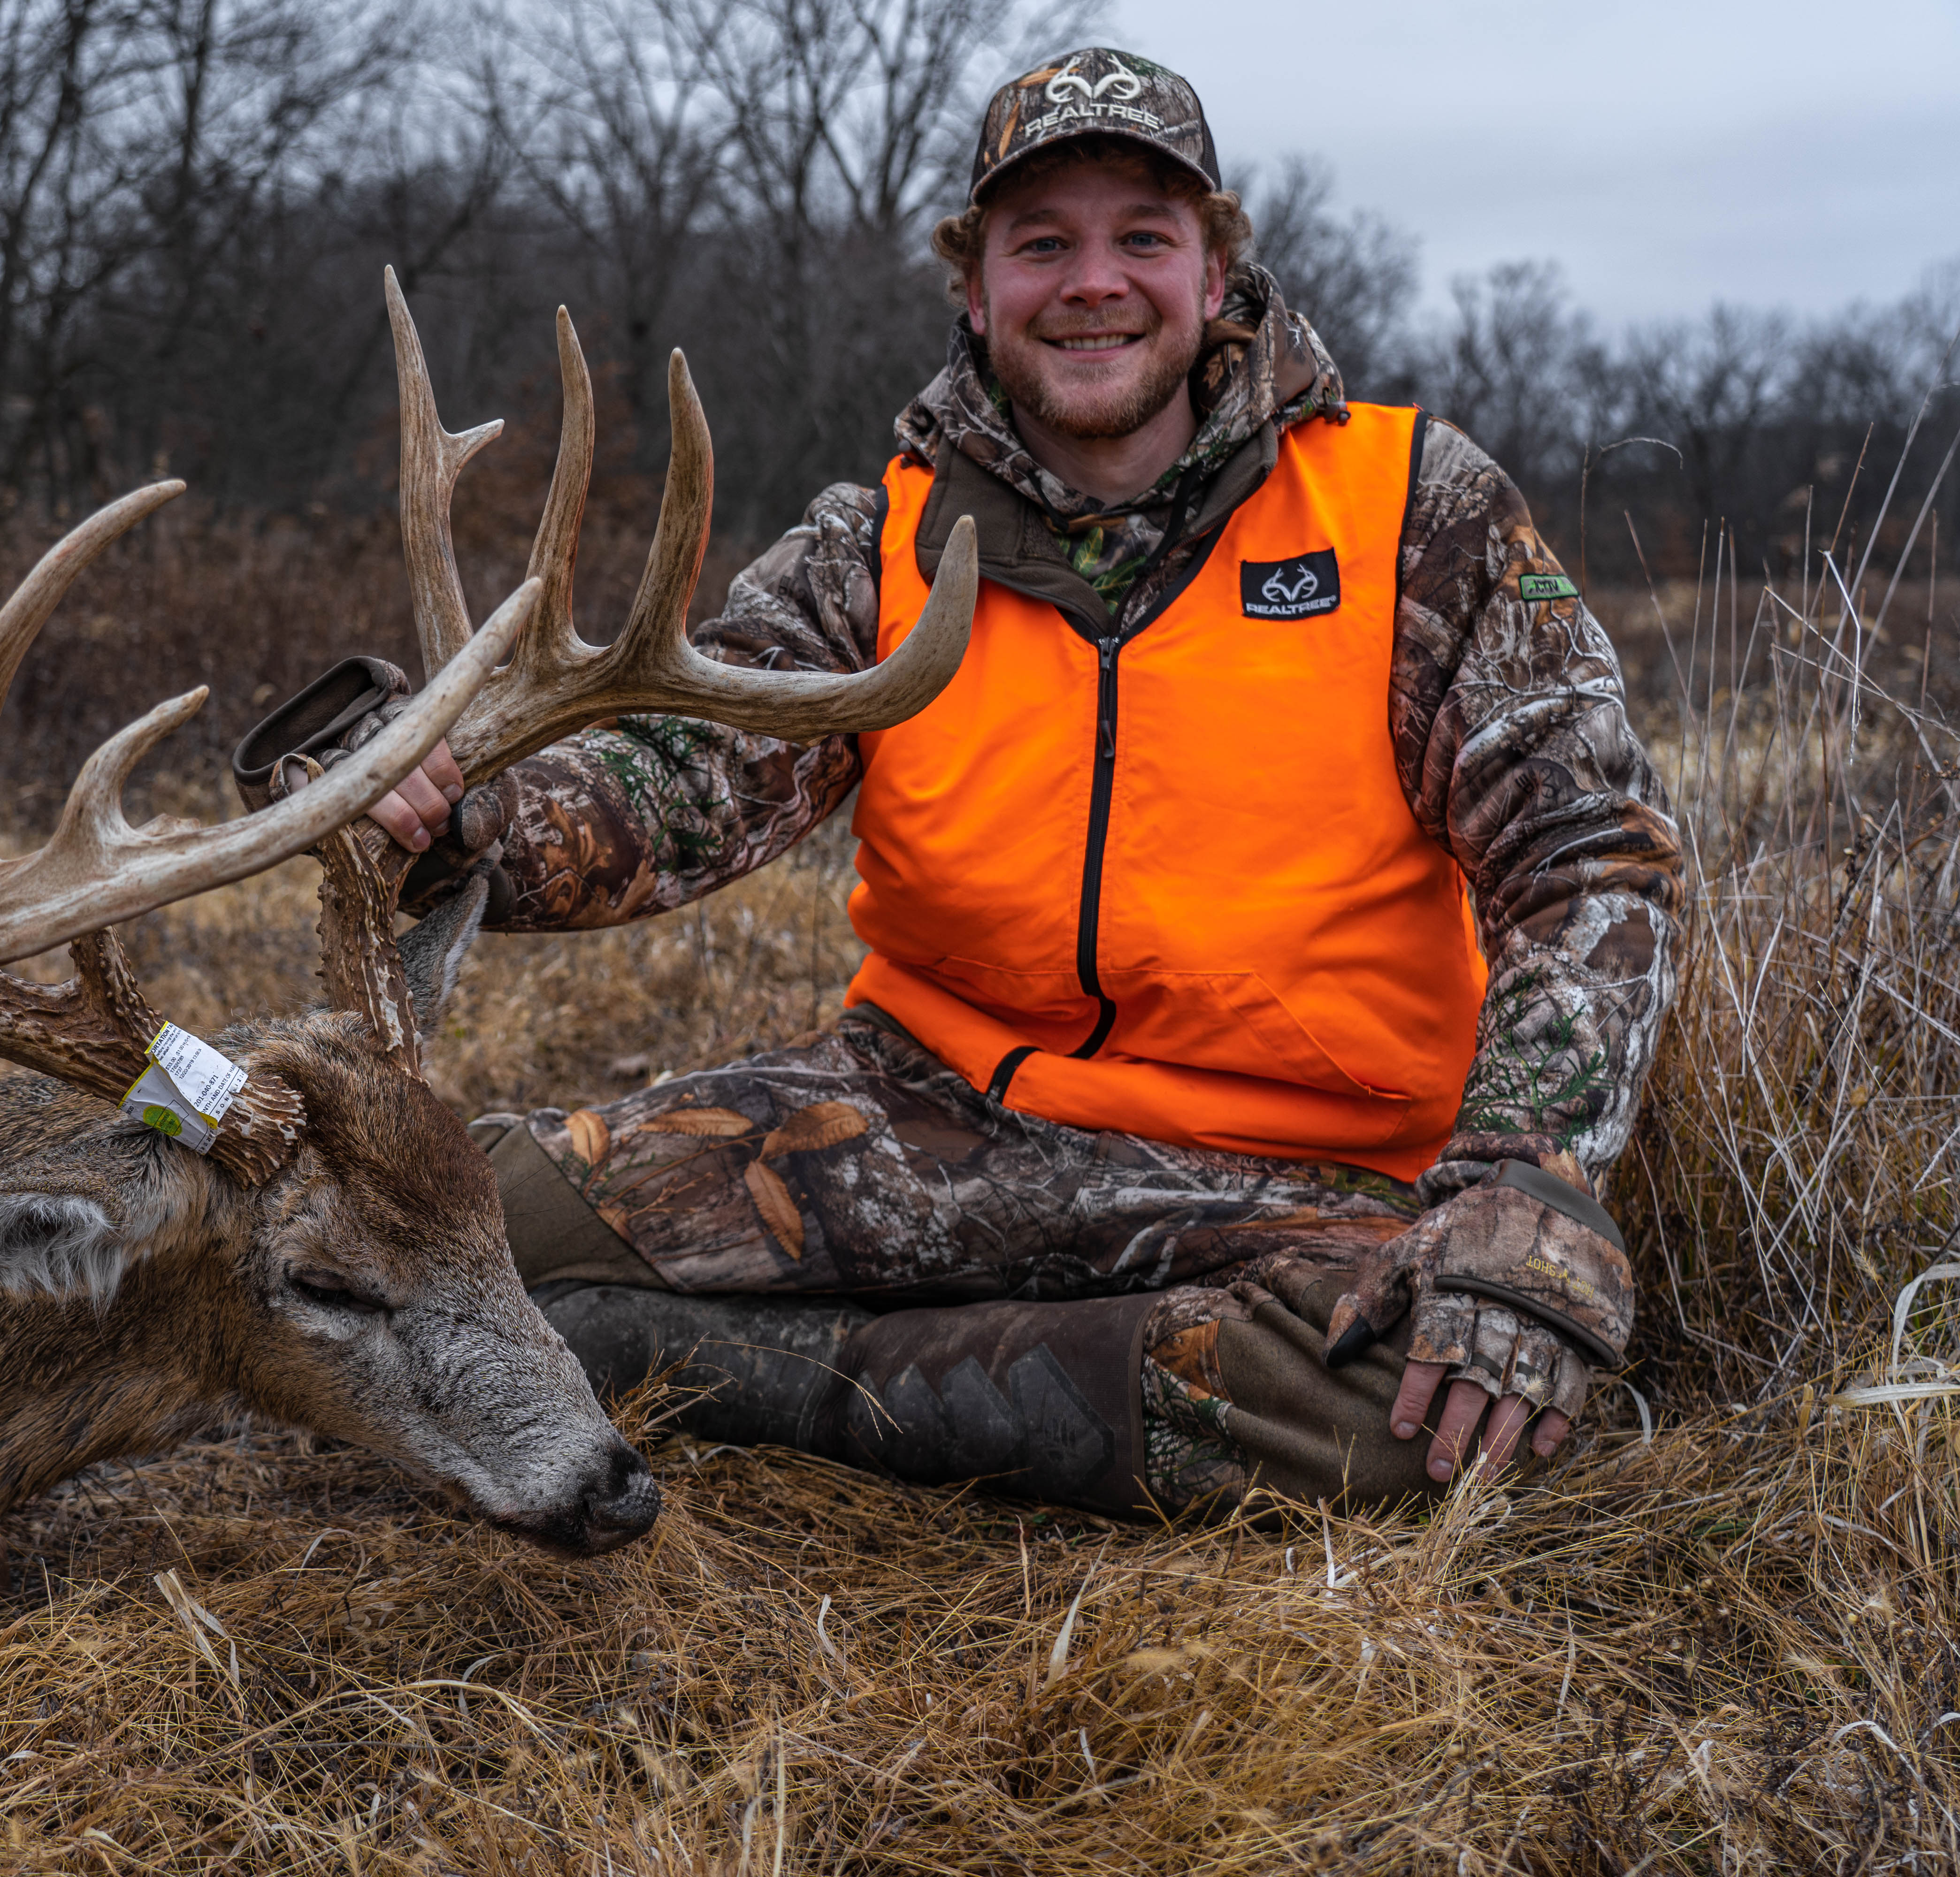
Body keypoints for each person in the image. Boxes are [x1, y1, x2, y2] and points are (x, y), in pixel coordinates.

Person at [240, 48, 1684, 1519]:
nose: (1093, 283)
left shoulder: (1412, 510)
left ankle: (703, 1369)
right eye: (1041, 243)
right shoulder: (884, 542)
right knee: (433, 1226)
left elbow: (1590, 859)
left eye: (1143, 237)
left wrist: (1524, 1177)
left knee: (1414, 1415)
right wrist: (470, 819)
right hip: (909, 1113)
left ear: (1217, 267)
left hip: (1290, 1171)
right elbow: (690, 772)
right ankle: (943, 1384)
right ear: (974, 285)